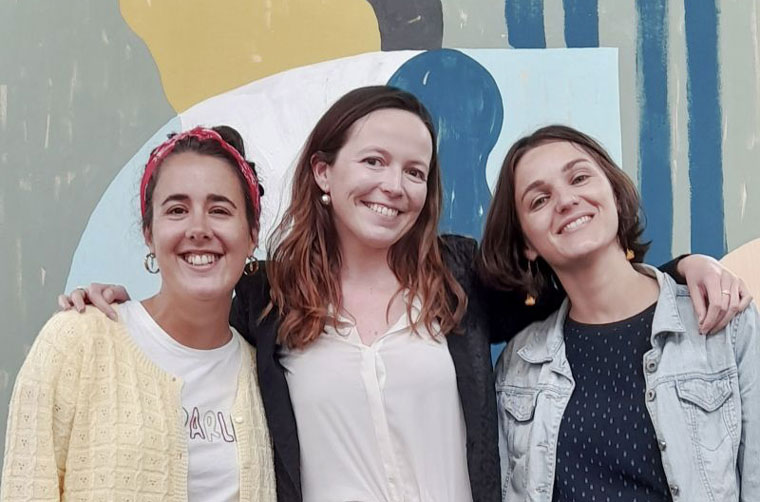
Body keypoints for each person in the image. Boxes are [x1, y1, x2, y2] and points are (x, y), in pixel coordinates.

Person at [58, 87, 750, 502]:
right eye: (374, 161)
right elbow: (188, 322)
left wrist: (684, 268)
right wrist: (113, 308)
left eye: (414, 171)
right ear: (324, 172)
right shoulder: (266, 295)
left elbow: (585, 276)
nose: (394, 186)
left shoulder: (460, 276)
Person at [482, 125, 758, 501]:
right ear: (527, 243)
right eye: (539, 200)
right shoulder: (519, 364)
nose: (565, 200)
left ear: (614, 193)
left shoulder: (725, 323)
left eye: (579, 178)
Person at [2, 126, 277, 501]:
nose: (198, 229)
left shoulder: (267, 375)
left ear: (252, 234)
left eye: (220, 210)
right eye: (177, 210)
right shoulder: (77, 342)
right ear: (149, 233)